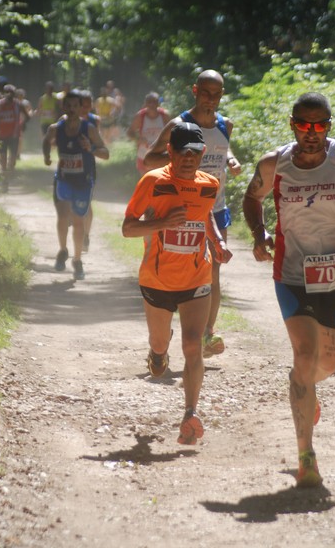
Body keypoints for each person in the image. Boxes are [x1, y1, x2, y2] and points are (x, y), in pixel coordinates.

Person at [242, 92, 335, 488]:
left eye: (319, 126)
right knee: (304, 355)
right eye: (304, 125)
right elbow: (253, 197)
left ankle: (307, 388)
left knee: (328, 363)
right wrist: (258, 233)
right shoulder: (274, 164)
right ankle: (307, 457)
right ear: (292, 123)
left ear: (329, 126)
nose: (311, 133)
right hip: (292, 274)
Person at [122, 122, 232, 445]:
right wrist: (161, 223)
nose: (189, 159)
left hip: (197, 278)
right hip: (157, 280)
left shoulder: (209, 184)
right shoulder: (153, 182)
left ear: (201, 154)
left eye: (195, 153)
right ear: (170, 152)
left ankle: (190, 413)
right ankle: (158, 353)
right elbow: (128, 228)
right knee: (160, 348)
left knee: (193, 346)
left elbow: (206, 214)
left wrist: (216, 242)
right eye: (182, 152)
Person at [144, 69, 241, 358]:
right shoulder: (179, 124)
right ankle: (164, 332)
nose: (211, 98)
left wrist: (232, 161)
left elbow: (222, 149)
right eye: (206, 92)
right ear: (195, 91)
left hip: (216, 207)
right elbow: (150, 159)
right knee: (175, 270)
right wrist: (183, 157)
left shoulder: (226, 124)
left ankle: (207, 335)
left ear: (222, 95)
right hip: (179, 209)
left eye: (217, 93)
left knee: (212, 270)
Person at [42, 90, 109, 280]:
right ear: (63, 107)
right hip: (63, 179)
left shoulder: (89, 129)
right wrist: (47, 156)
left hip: (83, 181)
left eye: (75, 106)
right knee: (63, 215)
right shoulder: (56, 128)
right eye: (68, 106)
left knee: (78, 221)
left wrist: (91, 148)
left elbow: (106, 153)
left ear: (81, 108)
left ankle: (77, 260)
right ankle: (63, 250)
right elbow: (46, 141)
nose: (71, 109)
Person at [0, 84, 30, 191]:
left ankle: (7, 176)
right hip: (2, 135)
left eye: (11, 93)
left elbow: (28, 116)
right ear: (4, 93)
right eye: (7, 92)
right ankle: (4, 182)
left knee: (12, 161)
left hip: (14, 135)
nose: (9, 95)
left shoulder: (18, 105)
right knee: (3, 160)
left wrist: (22, 124)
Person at [127, 92, 170, 176]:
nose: (152, 104)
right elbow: (130, 132)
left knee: (160, 180)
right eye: (149, 102)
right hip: (144, 153)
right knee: (145, 179)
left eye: (154, 102)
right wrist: (138, 139)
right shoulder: (140, 116)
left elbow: (173, 132)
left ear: (158, 103)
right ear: (145, 103)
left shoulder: (164, 115)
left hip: (160, 153)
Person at [80, 90, 101, 252]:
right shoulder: (66, 120)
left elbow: (99, 145)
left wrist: (90, 147)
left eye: (88, 104)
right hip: (69, 166)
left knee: (87, 202)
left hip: (88, 165)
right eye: (83, 104)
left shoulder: (95, 121)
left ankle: (85, 235)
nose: (86, 107)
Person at [15, 88, 33, 159]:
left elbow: (30, 110)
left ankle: (18, 153)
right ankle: (16, 152)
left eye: (22, 95)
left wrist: (29, 114)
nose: (21, 96)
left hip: (22, 122)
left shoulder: (26, 103)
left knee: (20, 138)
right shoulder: (15, 102)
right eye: (19, 95)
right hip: (15, 122)